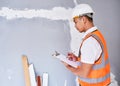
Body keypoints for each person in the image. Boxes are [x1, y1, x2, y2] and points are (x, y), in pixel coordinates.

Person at [62, 4, 111, 86]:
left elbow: (84, 73)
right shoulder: (96, 34)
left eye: (76, 22)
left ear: (84, 19)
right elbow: (92, 60)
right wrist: (77, 58)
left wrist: (68, 66)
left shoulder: (90, 41)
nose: (75, 26)